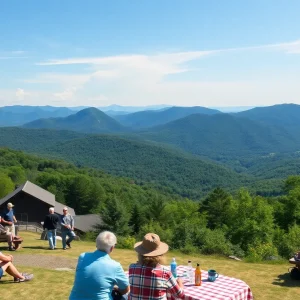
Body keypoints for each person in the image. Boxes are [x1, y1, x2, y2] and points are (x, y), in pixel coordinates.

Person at [69, 231, 129, 300]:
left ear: (96, 244)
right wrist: (116, 288)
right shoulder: (115, 266)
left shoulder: (82, 257)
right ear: (112, 248)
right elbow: (126, 289)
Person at [129, 233, 185, 300]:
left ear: (140, 253)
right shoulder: (165, 272)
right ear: (160, 255)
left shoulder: (132, 268)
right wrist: (180, 283)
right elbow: (179, 294)